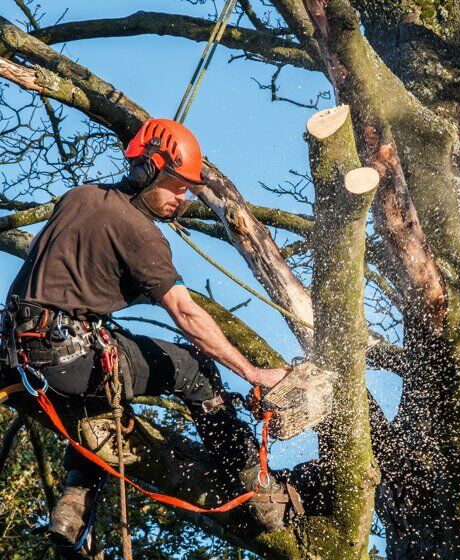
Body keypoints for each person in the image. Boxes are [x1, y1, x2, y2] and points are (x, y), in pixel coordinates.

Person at [2, 119, 299, 557]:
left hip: (17, 352)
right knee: (193, 368)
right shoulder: (141, 234)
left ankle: (74, 502)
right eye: (177, 187)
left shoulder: (78, 198)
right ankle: (254, 485)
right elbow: (185, 312)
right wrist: (253, 373)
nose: (181, 199)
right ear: (147, 172)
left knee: (105, 388)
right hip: (66, 359)